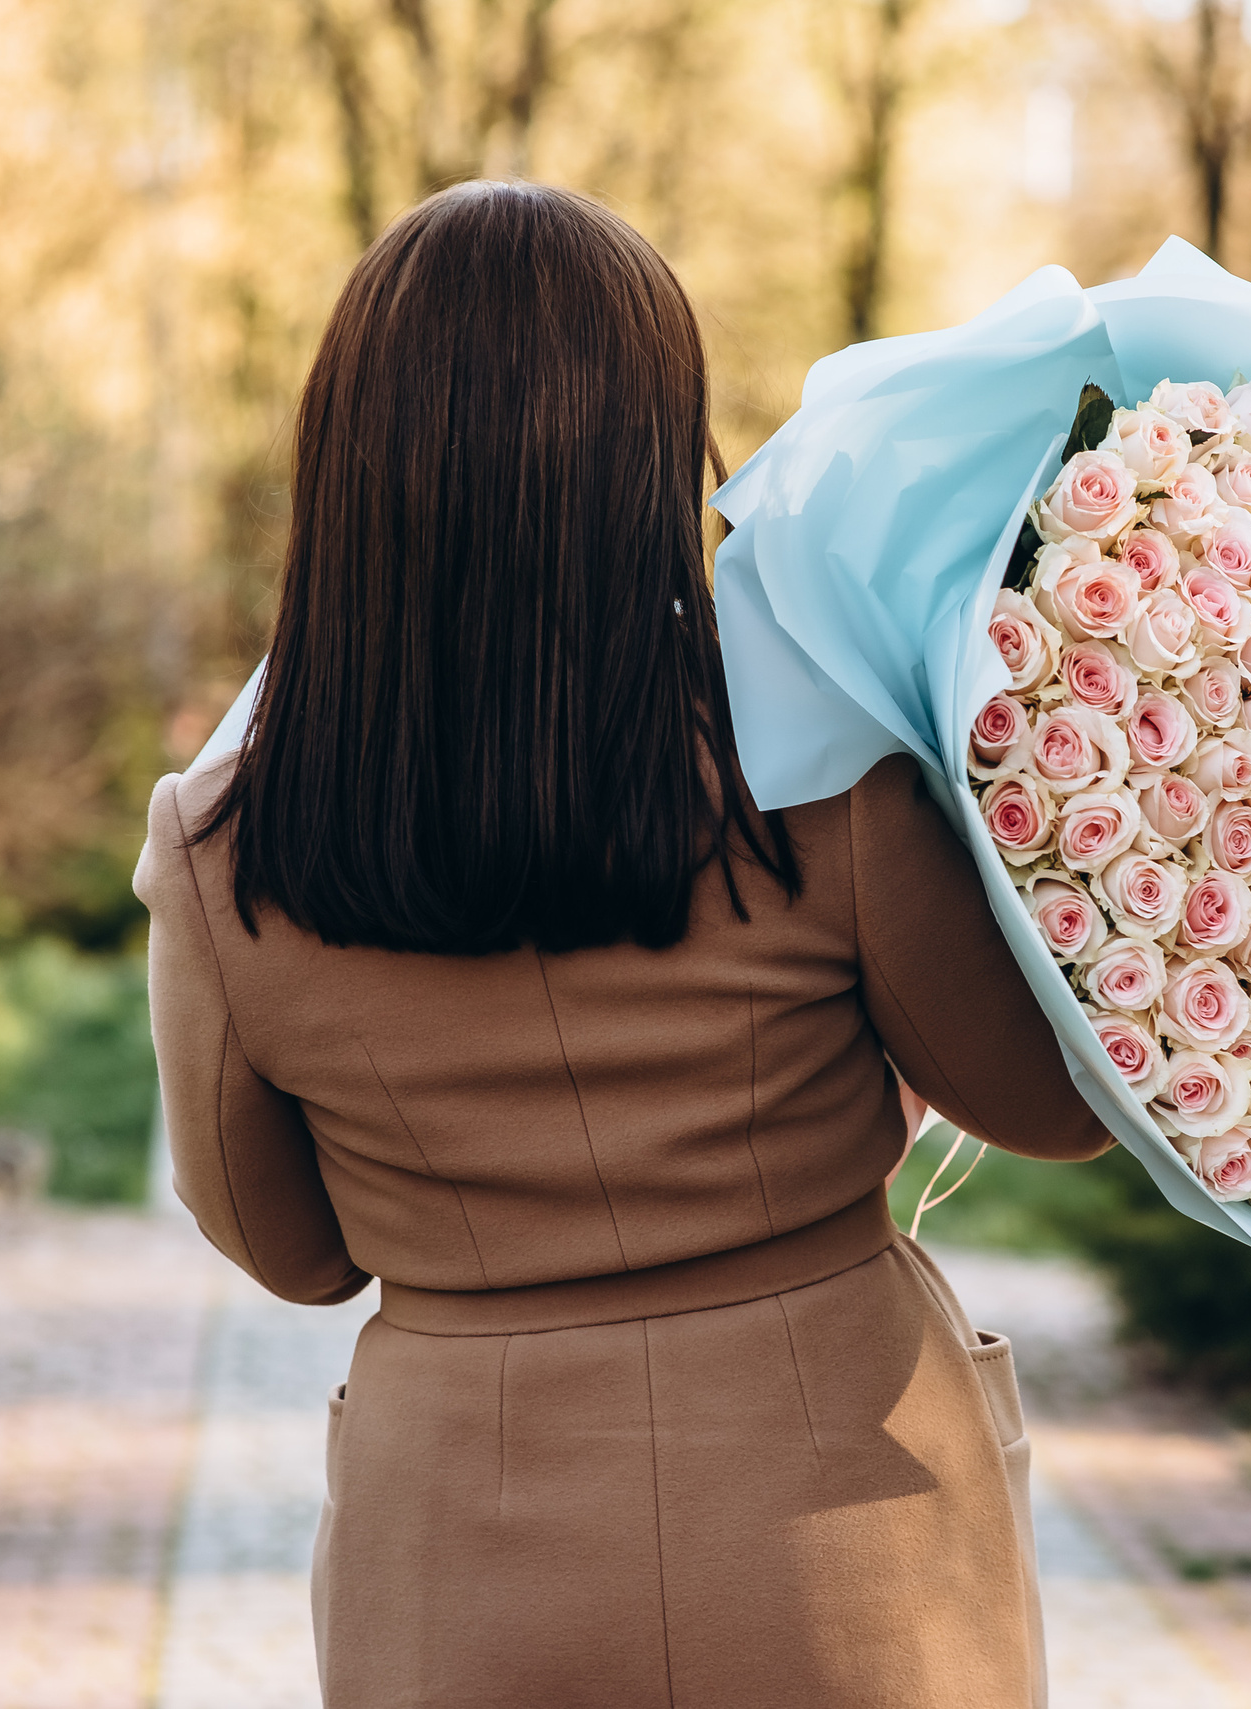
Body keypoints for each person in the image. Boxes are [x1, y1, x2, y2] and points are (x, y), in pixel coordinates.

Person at [134, 179, 1110, 1709]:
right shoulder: (814, 767)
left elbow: (289, 1248)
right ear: (653, 447)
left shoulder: (220, 852)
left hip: (459, 1556)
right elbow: (1054, 1111)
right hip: (845, 1534)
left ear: (346, 467)